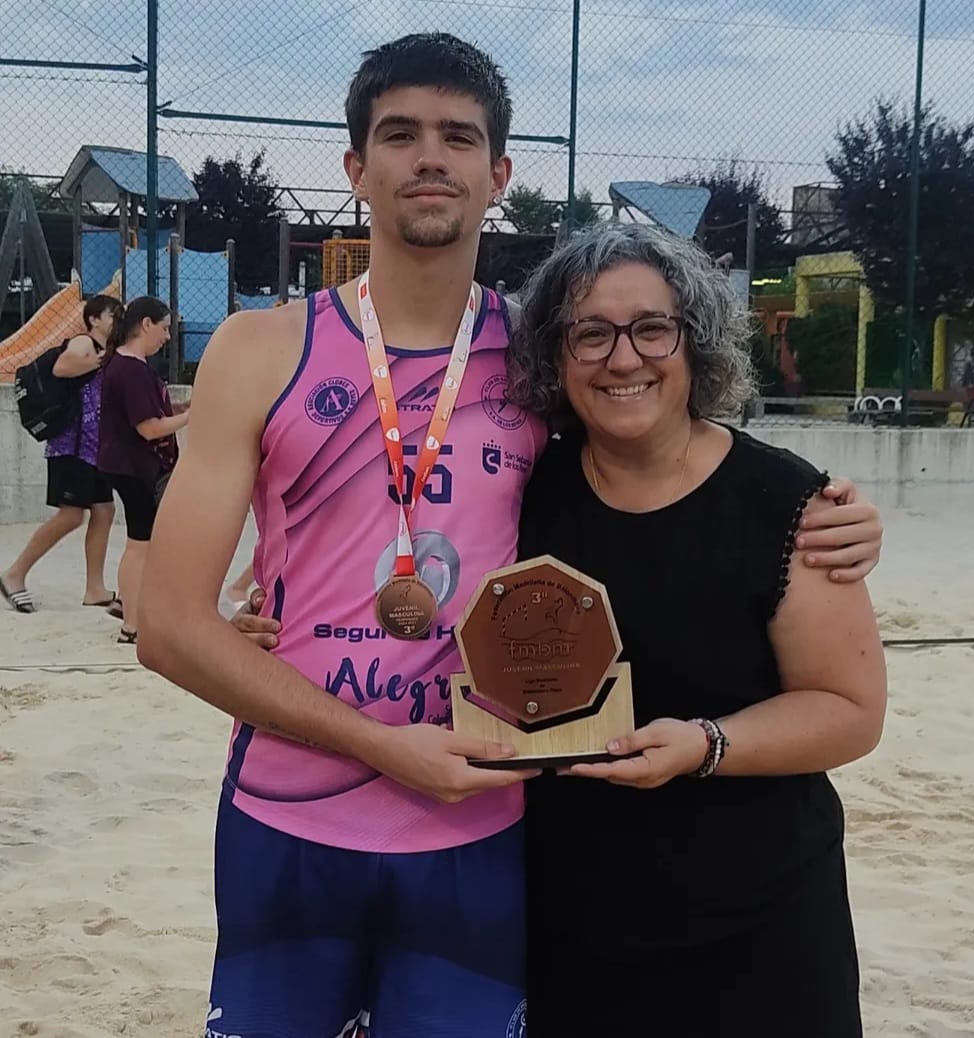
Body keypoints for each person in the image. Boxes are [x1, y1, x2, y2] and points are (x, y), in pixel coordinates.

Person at [137, 34, 884, 1038]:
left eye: (459, 136)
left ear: (501, 175)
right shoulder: (261, 348)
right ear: (356, 167)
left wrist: (828, 507)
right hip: (290, 812)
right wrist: (370, 732)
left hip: (483, 819)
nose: (429, 157)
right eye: (400, 134)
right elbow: (168, 627)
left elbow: (678, 457)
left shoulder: (545, 356)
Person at [510, 223, 887, 1037]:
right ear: (553, 352)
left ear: (695, 341)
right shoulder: (521, 494)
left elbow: (849, 709)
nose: (623, 358)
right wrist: (274, 602)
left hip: (757, 928)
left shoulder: (788, 505)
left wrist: (704, 745)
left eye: (652, 327)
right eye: (589, 332)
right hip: (572, 922)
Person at [1, 294, 122, 615]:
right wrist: (103, 361)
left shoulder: (102, 351)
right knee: (71, 515)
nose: (118, 320)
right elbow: (63, 367)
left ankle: (95, 589)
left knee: (104, 510)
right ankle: (14, 574)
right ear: (95, 319)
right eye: (114, 315)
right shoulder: (84, 343)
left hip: (92, 450)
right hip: (72, 447)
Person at [97, 296, 188, 644]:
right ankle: (132, 623)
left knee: (143, 543)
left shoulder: (125, 365)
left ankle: (134, 612)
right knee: (140, 544)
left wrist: (182, 408)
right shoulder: (131, 368)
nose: (166, 336)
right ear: (146, 324)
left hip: (126, 464)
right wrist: (195, 415)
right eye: (164, 328)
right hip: (133, 466)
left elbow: (153, 412)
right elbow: (149, 428)